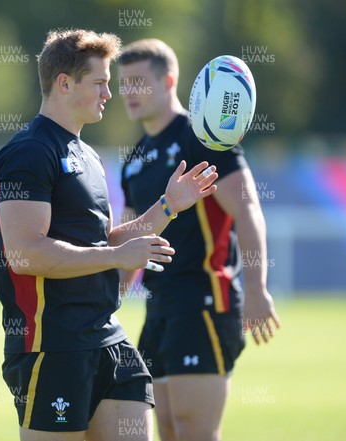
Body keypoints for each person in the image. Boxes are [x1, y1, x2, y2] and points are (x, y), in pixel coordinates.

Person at [0, 29, 219, 441]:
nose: (109, 94)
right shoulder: (28, 153)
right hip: (52, 344)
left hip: (106, 337)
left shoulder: (88, 154)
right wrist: (117, 259)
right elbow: (25, 254)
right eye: (99, 82)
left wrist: (168, 206)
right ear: (64, 83)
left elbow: (105, 242)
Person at [117, 39, 281, 441]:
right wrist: (107, 299)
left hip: (204, 301)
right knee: (169, 430)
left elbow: (247, 210)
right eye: (123, 83)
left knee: (195, 431)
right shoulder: (135, 157)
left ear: (169, 80)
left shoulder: (205, 134)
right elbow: (128, 242)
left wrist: (257, 288)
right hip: (159, 309)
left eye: (139, 81)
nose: (128, 93)